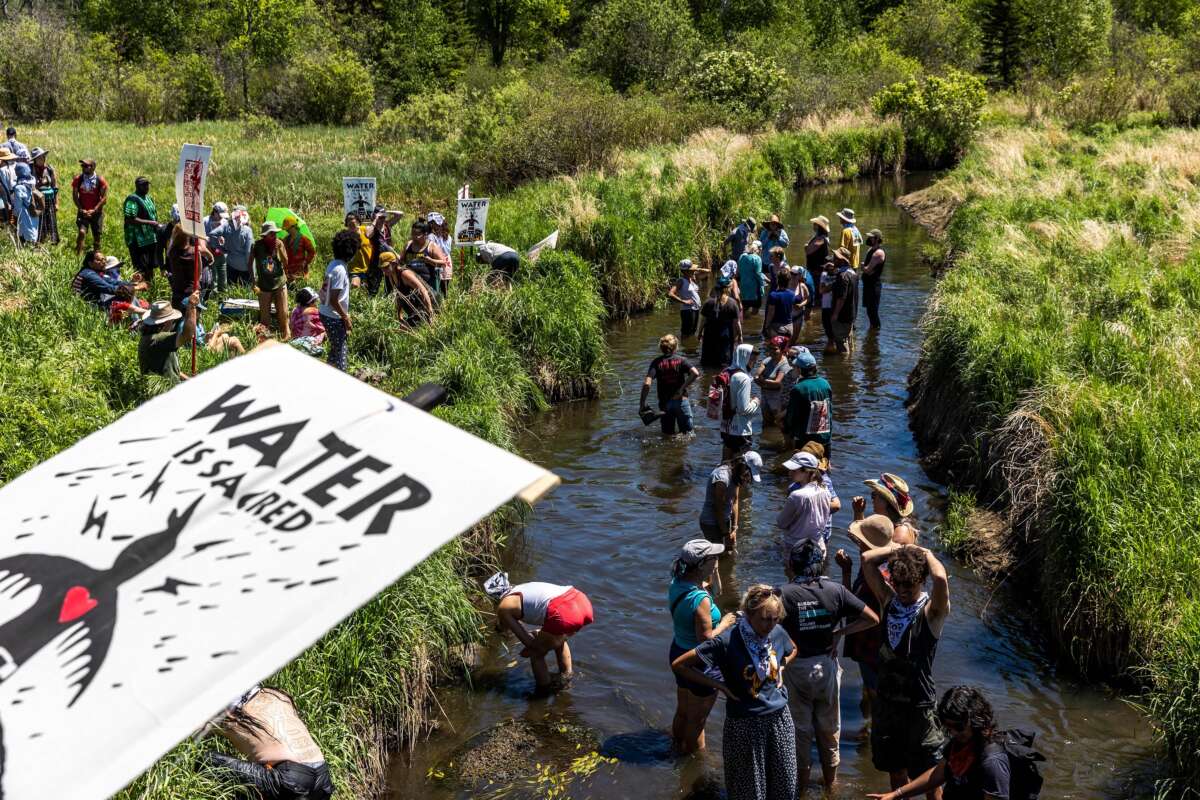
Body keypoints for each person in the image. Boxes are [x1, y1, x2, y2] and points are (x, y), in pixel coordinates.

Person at [672, 585, 798, 800]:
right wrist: (718, 685)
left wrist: (781, 668)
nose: (770, 625)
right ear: (749, 614)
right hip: (744, 723)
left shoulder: (776, 632)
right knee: (748, 790)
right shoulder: (727, 640)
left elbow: (793, 648)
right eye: (765, 619)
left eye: (775, 619)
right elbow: (680, 665)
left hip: (779, 719)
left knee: (784, 784)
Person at [779, 539, 879, 797]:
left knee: (800, 729)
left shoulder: (782, 594)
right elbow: (871, 618)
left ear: (792, 564)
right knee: (829, 727)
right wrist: (840, 633)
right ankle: (830, 785)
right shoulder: (835, 590)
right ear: (820, 563)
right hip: (826, 667)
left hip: (796, 667)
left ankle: (800, 788)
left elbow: (763, 626)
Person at [859, 543, 952, 797]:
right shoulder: (888, 601)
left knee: (930, 773)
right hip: (889, 703)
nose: (901, 591)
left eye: (907, 587)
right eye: (897, 584)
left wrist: (926, 554)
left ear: (920, 581)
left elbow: (940, 577)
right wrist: (900, 550)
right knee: (895, 768)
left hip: (919, 706)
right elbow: (867, 559)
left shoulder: (932, 612)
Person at [868, 686, 1014, 800]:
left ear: (976, 720)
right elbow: (938, 774)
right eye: (948, 727)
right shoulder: (961, 742)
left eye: (958, 727)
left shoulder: (992, 763)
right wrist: (896, 794)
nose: (954, 733)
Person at [201, 684, 335, 800]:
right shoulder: (273, 695)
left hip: (289, 780)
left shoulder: (221, 701)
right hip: (323, 779)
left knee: (203, 760)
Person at [668, 539, 736, 754]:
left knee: (683, 711)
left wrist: (714, 571)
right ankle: (694, 764)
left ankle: (676, 747)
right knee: (698, 721)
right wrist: (725, 623)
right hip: (700, 662)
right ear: (700, 565)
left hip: (678, 651)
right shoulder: (700, 600)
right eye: (713, 558)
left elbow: (716, 590)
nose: (717, 559)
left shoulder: (677, 583)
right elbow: (706, 639)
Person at [836, 514, 896, 737]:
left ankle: (874, 735)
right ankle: (870, 724)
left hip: (871, 647)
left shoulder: (876, 575)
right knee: (872, 690)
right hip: (874, 647)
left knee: (875, 692)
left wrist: (845, 571)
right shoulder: (882, 566)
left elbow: (850, 607)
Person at [485, 572, 594, 692]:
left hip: (562, 612)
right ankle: (567, 678)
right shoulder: (521, 589)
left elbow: (529, 643)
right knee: (558, 639)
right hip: (580, 600)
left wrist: (531, 648)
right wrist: (539, 636)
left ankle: (543, 690)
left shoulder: (503, 607)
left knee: (535, 653)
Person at [699, 451, 763, 550]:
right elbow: (718, 509)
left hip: (724, 519)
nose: (748, 480)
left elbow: (735, 501)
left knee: (730, 551)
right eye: (748, 476)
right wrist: (726, 533)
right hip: (711, 522)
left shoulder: (737, 476)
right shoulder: (722, 479)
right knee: (717, 555)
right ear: (744, 468)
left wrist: (734, 528)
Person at [641, 333, 700, 436]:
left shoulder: (656, 362)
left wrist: (642, 404)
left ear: (661, 347)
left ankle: (669, 451)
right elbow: (695, 373)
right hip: (681, 401)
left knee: (667, 436)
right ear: (675, 347)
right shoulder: (682, 360)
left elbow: (647, 383)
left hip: (665, 404)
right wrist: (682, 389)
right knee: (687, 436)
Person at [776, 451, 832, 556]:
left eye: (794, 470)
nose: (789, 473)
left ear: (806, 471)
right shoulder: (825, 491)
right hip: (818, 546)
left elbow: (781, 523)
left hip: (795, 548)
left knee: (792, 572)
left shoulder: (796, 496)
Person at [138, 293, 199, 384]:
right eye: (172, 320)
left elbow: (170, 369)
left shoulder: (149, 337)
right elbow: (188, 335)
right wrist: (192, 306)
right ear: (167, 322)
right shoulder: (159, 338)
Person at [319, 229, 358, 371]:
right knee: (341, 350)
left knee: (335, 349)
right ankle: (342, 378)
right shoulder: (340, 269)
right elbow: (334, 299)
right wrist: (345, 317)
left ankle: (328, 373)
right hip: (333, 316)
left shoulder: (334, 264)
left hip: (325, 312)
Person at [785, 346, 833, 456]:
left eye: (796, 366)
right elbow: (830, 412)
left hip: (805, 439)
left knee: (804, 468)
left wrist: (788, 431)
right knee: (823, 467)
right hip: (824, 437)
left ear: (800, 369)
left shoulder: (799, 388)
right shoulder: (825, 384)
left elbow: (791, 415)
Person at [71, 251, 146, 313]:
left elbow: (115, 282)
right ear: (90, 263)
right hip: (88, 308)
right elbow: (110, 288)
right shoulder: (89, 274)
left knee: (127, 293)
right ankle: (139, 321)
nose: (103, 262)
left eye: (104, 259)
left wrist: (133, 284)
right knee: (125, 295)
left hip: (93, 305)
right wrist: (136, 287)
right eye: (99, 260)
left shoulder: (96, 273)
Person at [719, 343, 761, 456]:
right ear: (745, 358)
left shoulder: (725, 372)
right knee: (741, 465)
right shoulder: (743, 378)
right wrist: (756, 402)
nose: (754, 364)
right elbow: (744, 409)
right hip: (740, 429)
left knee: (726, 461)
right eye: (752, 360)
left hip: (725, 426)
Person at [252, 221, 290, 339]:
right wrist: (253, 281)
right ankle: (265, 338)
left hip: (279, 282)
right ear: (265, 235)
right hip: (264, 284)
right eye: (272, 234)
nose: (274, 236)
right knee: (265, 315)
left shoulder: (279, 243)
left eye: (275, 233)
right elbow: (249, 264)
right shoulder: (257, 246)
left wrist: (279, 250)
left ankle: (286, 335)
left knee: (283, 312)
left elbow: (285, 262)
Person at [166, 226, 214, 310]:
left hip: (177, 289)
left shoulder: (171, 251)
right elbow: (198, 273)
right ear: (188, 237)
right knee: (193, 317)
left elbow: (171, 244)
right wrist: (210, 256)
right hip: (192, 291)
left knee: (178, 315)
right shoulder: (194, 252)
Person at [697, 278, 741, 368]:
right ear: (727, 289)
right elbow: (737, 323)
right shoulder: (732, 303)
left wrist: (700, 333)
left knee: (708, 361)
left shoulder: (708, 302)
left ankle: (707, 379)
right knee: (724, 362)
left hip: (709, 334)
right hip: (725, 335)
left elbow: (703, 320)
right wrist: (740, 335)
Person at [387, 251, 437, 328]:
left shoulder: (405, 274)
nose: (383, 270)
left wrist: (431, 314)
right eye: (382, 267)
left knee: (404, 329)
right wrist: (399, 316)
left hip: (429, 305)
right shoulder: (391, 276)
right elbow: (398, 296)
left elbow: (423, 291)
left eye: (385, 267)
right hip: (415, 310)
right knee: (402, 328)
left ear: (394, 264)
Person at [123, 177, 161, 278]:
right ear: (137, 186)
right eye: (143, 185)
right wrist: (150, 223)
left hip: (150, 238)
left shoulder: (148, 198)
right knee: (141, 267)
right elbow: (130, 219)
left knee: (150, 265)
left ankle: (151, 287)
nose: (146, 187)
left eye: (147, 184)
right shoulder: (132, 199)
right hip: (138, 239)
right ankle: (141, 289)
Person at [71, 158, 108, 255]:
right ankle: (78, 256)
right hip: (83, 211)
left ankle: (97, 257)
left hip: (96, 213)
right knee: (82, 232)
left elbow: (104, 198)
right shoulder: (78, 179)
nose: (83, 168)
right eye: (82, 166)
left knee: (97, 237)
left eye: (86, 166)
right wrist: (81, 209)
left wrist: (94, 210)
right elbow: (75, 196)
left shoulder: (100, 180)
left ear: (93, 167)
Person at [401, 218, 448, 295]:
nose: (414, 236)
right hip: (409, 283)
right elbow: (401, 260)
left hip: (427, 284)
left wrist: (429, 260)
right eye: (412, 233)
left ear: (425, 234)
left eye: (417, 234)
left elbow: (443, 263)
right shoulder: (408, 245)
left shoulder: (432, 246)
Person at [762, 265, 806, 341]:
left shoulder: (773, 295)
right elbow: (799, 299)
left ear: (777, 280)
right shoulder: (792, 294)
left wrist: (766, 327)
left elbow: (770, 314)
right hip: (789, 329)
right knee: (785, 349)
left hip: (777, 328)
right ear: (788, 281)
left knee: (774, 350)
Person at [755, 336, 790, 430]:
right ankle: (766, 436)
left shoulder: (784, 364)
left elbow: (777, 382)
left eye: (775, 349)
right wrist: (759, 377)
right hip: (765, 393)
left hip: (777, 396)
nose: (772, 351)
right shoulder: (768, 360)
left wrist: (762, 381)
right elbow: (758, 374)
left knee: (778, 420)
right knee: (766, 420)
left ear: (782, 350)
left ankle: (778, 438)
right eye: (770, 348)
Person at [668, 259, 708, 338]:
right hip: (687, 310)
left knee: (693, 331)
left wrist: (697, 269)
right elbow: (670, 294)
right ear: (686, 271)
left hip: (695, 309)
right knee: (686, 333)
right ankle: (686, 348)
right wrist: (684, 301)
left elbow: (708, 272)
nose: (694, 271)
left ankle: (689, 348)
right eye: (692, 270)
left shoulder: (692, 279)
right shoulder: (681, 281)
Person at [831, 248, 859, 354]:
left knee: (841, 343)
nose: (833, 260)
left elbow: (841, 298)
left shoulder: (843, 276)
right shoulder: (853, 273)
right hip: (851, 314)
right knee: (849, 341)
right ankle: (849, 365)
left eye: (835, 258)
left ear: (842, 260)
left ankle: (843, 366)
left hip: (842, 316)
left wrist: (835, 314)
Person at [30, 148, 59, 245]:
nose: (42, 159)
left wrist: (56, 203)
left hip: (49, 200)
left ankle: (52, 241)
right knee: (39, 220)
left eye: (43, 157)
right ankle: (39, 241)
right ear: (35, 159)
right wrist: (39, 184)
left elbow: (55, 187)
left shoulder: (49, 169)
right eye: (39, 157)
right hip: (37, 201)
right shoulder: (30, 169)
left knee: (50, 220)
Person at [223, 206, 255, 287]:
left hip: (230, 263)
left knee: (231, 289)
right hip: (244, 266)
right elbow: (249, 252)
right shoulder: (247, 230)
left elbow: (225, 246)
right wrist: (252, 271)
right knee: (245, 292)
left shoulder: (226, 227)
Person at [805, 216, 831, 313]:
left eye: (815, 224)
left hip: (817, 273)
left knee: (815, 298)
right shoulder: (819, 237)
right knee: (815, 297)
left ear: (819, 226)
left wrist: (806, 246)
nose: (813, 225)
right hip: (816, 271)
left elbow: (808, 250)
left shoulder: (821, 239)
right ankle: (815, 320)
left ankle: (813, 319)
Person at [10, 163, 41, 246]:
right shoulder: (32, 182)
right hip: (34, 212)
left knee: (25, 238)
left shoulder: (19, 187)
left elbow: (18, 208)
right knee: (33, 232)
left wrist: (14, 217)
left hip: (24, 215)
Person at [861, 229, 886, 330]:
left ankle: (876, 332)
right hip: (868, 284)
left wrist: (863, 267)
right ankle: (872, 333)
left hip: (873, 285)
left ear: (877, 239)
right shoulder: (870, 250)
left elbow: (867, 270)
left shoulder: (878, 253)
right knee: (869, 310)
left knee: (873, 311)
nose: (869, 239)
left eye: (871, 237)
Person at [281, 215, 315, 285]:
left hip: (301, 273)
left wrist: (306, 261)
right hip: (288, 274)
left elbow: (312, 251)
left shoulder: (303, 239)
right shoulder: (286, 239)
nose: (287, 231)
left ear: (293, 227)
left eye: (288, 229)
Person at [205, 203, 231, 293]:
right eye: (220, 215)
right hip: (210, 254)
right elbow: (202, 239)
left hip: (222, 255)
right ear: (215, 212)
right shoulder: (205, 221)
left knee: (223, 280)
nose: (221, 218)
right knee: (213, 281)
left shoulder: (225, 222)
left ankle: (223, 300)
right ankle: (213, 301)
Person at [427, 212, 454, 295]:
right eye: (431, 224)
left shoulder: (447, 237)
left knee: (444, 287)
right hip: (434, 261)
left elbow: (446, 251)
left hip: (445, 261)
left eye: (434, 223)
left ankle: (444, 304)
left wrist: (440, 240)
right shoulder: (430, 236)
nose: (433, 226)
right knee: (434, 286)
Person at [738, 240, 767, 315]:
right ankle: (752, 323)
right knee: (755, 309)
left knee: (743, 308)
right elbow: (758, 274)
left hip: (743, 286)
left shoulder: (742, 256)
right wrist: (763, 285)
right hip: (754, 288)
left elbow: (739, 271)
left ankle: (742, 322)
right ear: (759, 249)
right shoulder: (757, 258)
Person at [819, 255, 838, 352]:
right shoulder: (824, 274)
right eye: (827, 266)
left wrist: (829, 288)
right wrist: (832, 286)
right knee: (826, 325)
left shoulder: (839, 275)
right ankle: (830, 344)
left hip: (834, 305)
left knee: (834, 327)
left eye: (831, 265)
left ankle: (833, 344)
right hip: (826, 304)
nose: (829, 268)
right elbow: (821, 290)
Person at [0, 147, 17, 228]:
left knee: (6, 218)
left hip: (5, 197)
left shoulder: (2, 170)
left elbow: (5, 187)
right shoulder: (12, 167)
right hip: (13, 195)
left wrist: (7, 201)